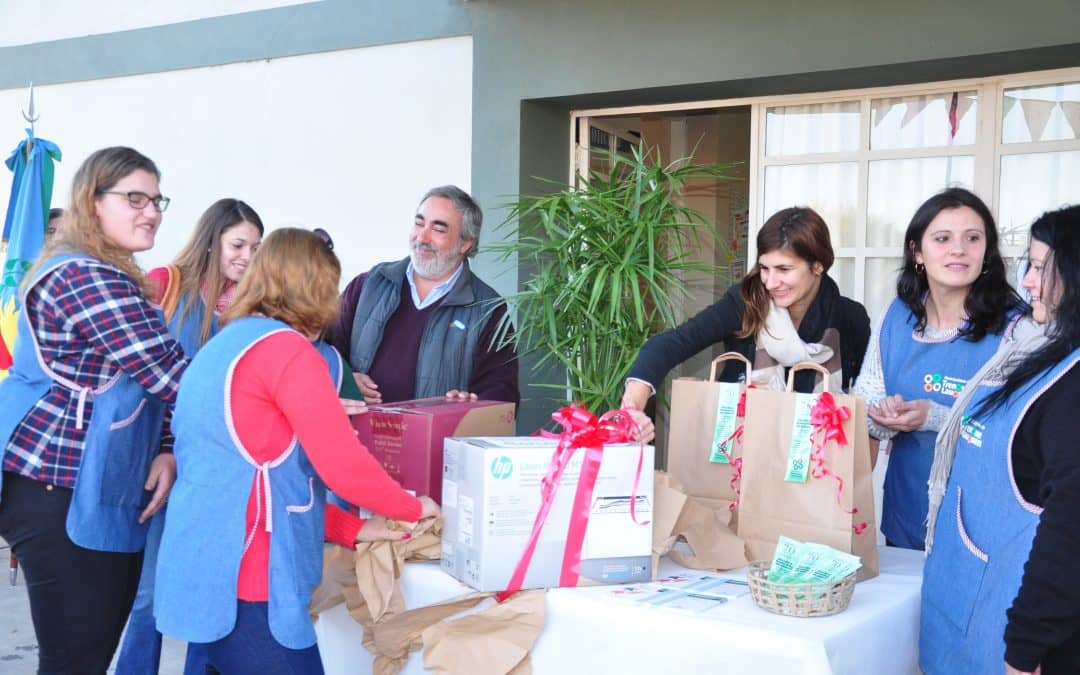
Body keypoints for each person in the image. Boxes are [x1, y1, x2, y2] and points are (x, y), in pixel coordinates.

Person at [154, 228, 439, 673]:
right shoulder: (288, 351)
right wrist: (409, 507)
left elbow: (262, 477)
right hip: (252, 574)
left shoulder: (225, 345)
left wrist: (352, 528)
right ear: (318, 290)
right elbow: (342, 465)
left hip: (205, 568)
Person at [0, 146, 188, 673]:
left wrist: (169, 448)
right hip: (58, 489)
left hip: (79, 482)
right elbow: (173, 376)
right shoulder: (87, 278)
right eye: (134, 198)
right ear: (91, 201)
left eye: (156, 199)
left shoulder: (105, 273)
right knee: (75, 660)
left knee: (84, 654)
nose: (151, 211)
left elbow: (157, 380)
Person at [921, 204, 1080, 674]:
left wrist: (1025, 649)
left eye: (1039, 267)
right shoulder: (1040, 345)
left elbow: (1070, 531)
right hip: (971, 590)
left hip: (1024, 632)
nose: (1027, 281)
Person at [116, 198, 264, 675]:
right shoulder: (165, 285)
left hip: (216, 466)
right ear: (211, 240)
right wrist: (164, 449)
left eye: (256, 248)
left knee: (214, 587)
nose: (247, 256)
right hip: (159, 458)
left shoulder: (251, 305)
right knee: (148, 593)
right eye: (238, 244)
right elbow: (140, 379)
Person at [854, 188, 1024, 550]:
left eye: (972, 238)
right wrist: (882, 413)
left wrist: (934, 417)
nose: (958, 249)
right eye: (942, 238)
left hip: (985, 531)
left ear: (987, 252)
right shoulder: (895, 316)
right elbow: (865, 402)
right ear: (917, 251)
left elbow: (1019, 433)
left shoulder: (1017, 329)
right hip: (907, 515)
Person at [622, 206, 871, 417]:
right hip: (740, 456)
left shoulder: (850, 318)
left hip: (818, 463)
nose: (770, 282)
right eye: (764, 268)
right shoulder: (745, 301)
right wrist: (632, 406)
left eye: (784, 269)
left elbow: (864, 401)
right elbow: (672, 344)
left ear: (818, 265)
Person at [328, 185, 518, 405]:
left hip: (435, 439)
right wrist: (344, 380)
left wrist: (470, 405)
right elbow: (321, 350)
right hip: (359, 437)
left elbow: (502, 392)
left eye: (438, 229)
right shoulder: (368, 286)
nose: (422, 237)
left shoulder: (487, 309)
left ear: (465, 243)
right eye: (419, 223)